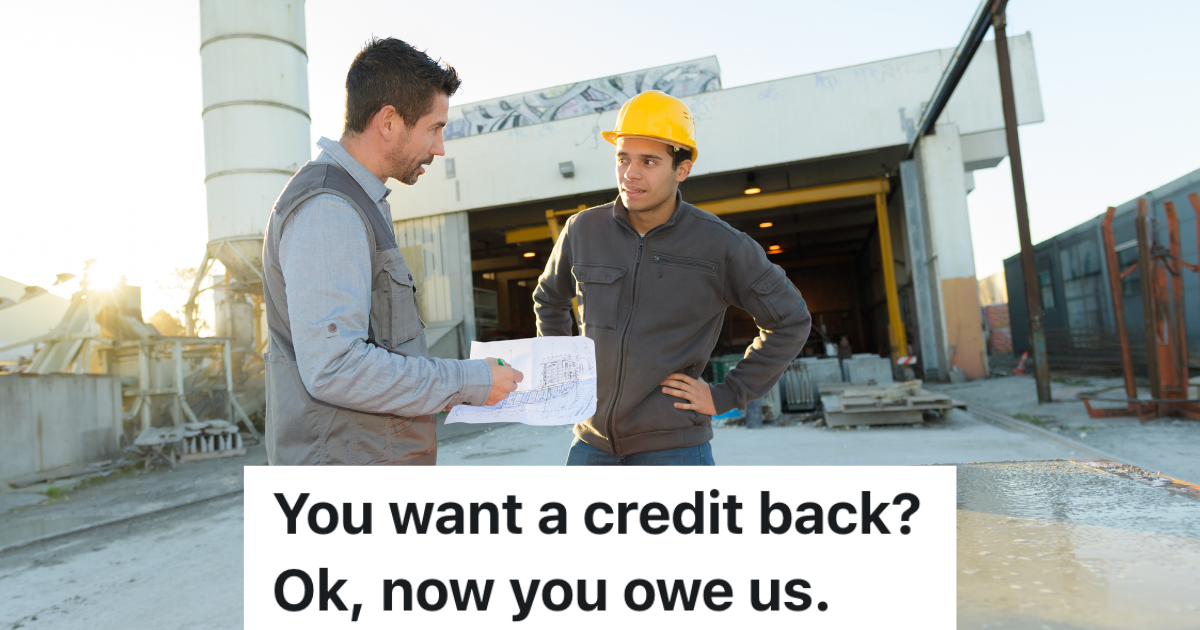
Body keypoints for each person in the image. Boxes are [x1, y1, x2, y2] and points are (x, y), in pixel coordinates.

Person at [262, 37, 522, 466]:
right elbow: (335, 367)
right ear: (388, 122)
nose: (439, 148)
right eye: (434, 128)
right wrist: (468, 381)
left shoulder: (358, 202)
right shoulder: (329, 208)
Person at [533, 90, 812, 466]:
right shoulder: (583, 230)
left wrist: (728, 394)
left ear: (682, 169)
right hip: (591, 447)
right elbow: (549, 298)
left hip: (675, 450)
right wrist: (562, 370)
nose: (630, 173)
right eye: (623, 158)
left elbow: (790, 321)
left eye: (649, 161)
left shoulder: (722, 245)